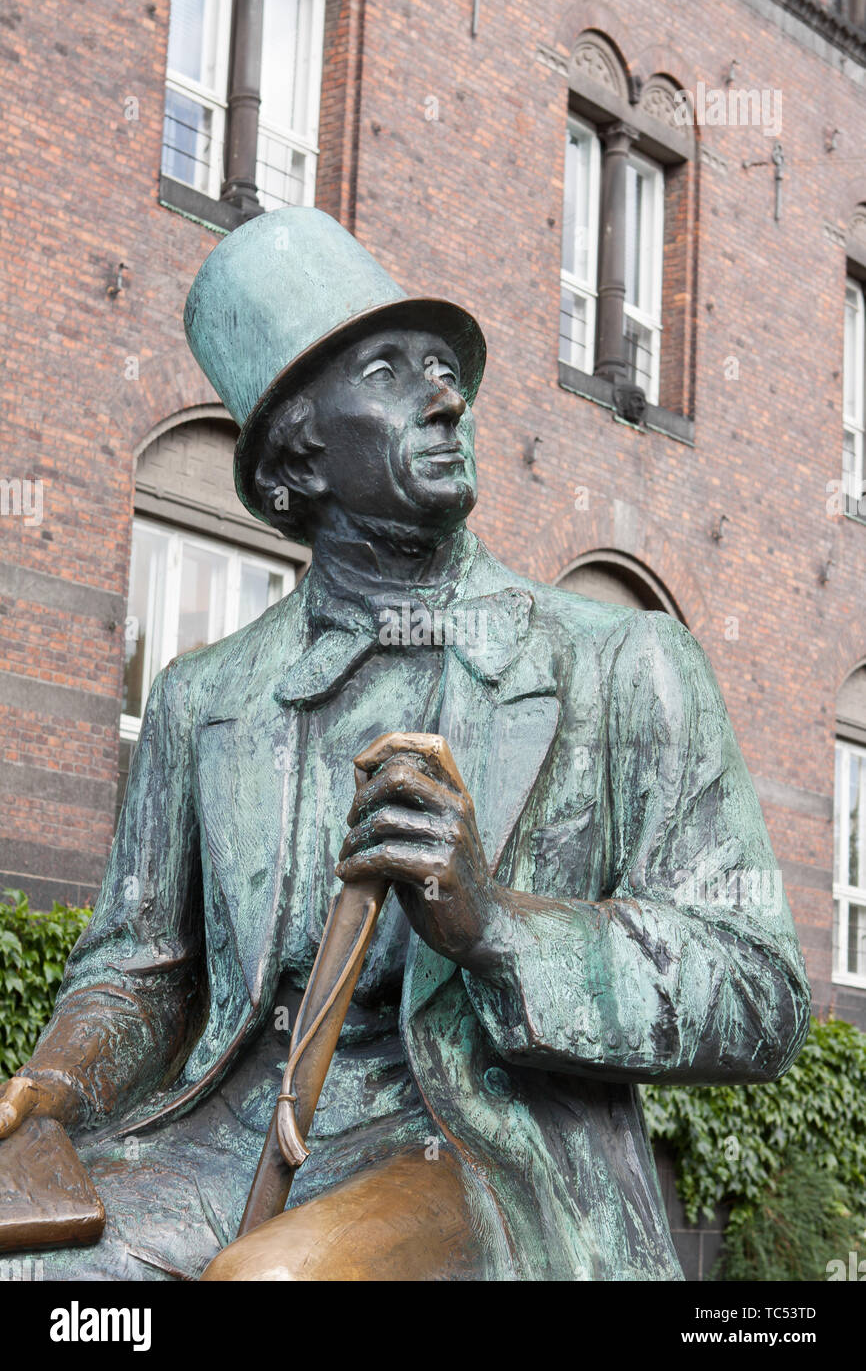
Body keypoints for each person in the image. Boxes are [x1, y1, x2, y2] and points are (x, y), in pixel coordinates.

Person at [0, 208, 811, 1280]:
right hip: (218, 1148)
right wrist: (51, 1091)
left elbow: (759, 991)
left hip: (477, 1164)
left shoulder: (622, 664)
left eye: (444, 366)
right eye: (390, 370)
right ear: (301, 444)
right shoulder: (205, 699)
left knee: (277, 1281)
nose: (446, 394)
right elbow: (139, 969)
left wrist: (494, 927)